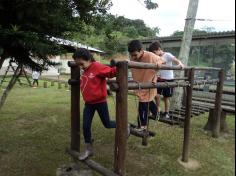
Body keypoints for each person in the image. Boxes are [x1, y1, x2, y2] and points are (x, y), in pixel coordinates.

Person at [72, 48, 117, 160]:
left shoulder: (97, 66)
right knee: (86, 126)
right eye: (78, 65)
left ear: (88, 59)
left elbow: (111, 72)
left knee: (107, 124)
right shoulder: (84, 70)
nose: (80, 67)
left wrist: (120, 66)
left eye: (81, 64)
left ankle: (124, 125)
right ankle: (88, 149)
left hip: (100, 102)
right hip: (89, 104)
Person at [128, 40, 164, 131]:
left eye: (135, 55)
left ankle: (142, 125)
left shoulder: (150, 55)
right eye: (131, 55)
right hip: (140, 83)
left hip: (149, 83)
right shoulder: (132, 57)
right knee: (148, 101)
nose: (133, 57)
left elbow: (162, 60)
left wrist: (159, 63)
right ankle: (156, 114)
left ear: (141, 50)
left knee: (142, 105)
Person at [148, 41, 184, 119]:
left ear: (159, 49)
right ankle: (157, 109)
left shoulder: (167, 55)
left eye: (154, 52)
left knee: (166, 97)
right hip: (159, 79)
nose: (154, 54)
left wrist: (180, 63)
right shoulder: (156, 57)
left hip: (168, 79)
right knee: (156, 95)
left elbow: (175, 59)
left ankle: (166, 112)